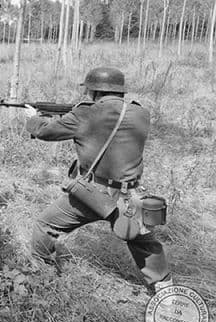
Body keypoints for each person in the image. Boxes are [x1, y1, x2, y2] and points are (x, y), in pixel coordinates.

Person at [24, 66, 172, 293]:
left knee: (45, 225)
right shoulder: (141, 113)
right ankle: (165, 290)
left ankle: (43, 277)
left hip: (94, 194)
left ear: (94, 91)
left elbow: (46, 132)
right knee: (143, 242)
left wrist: (34, 119)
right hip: (131, 195)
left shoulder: (86, 113)